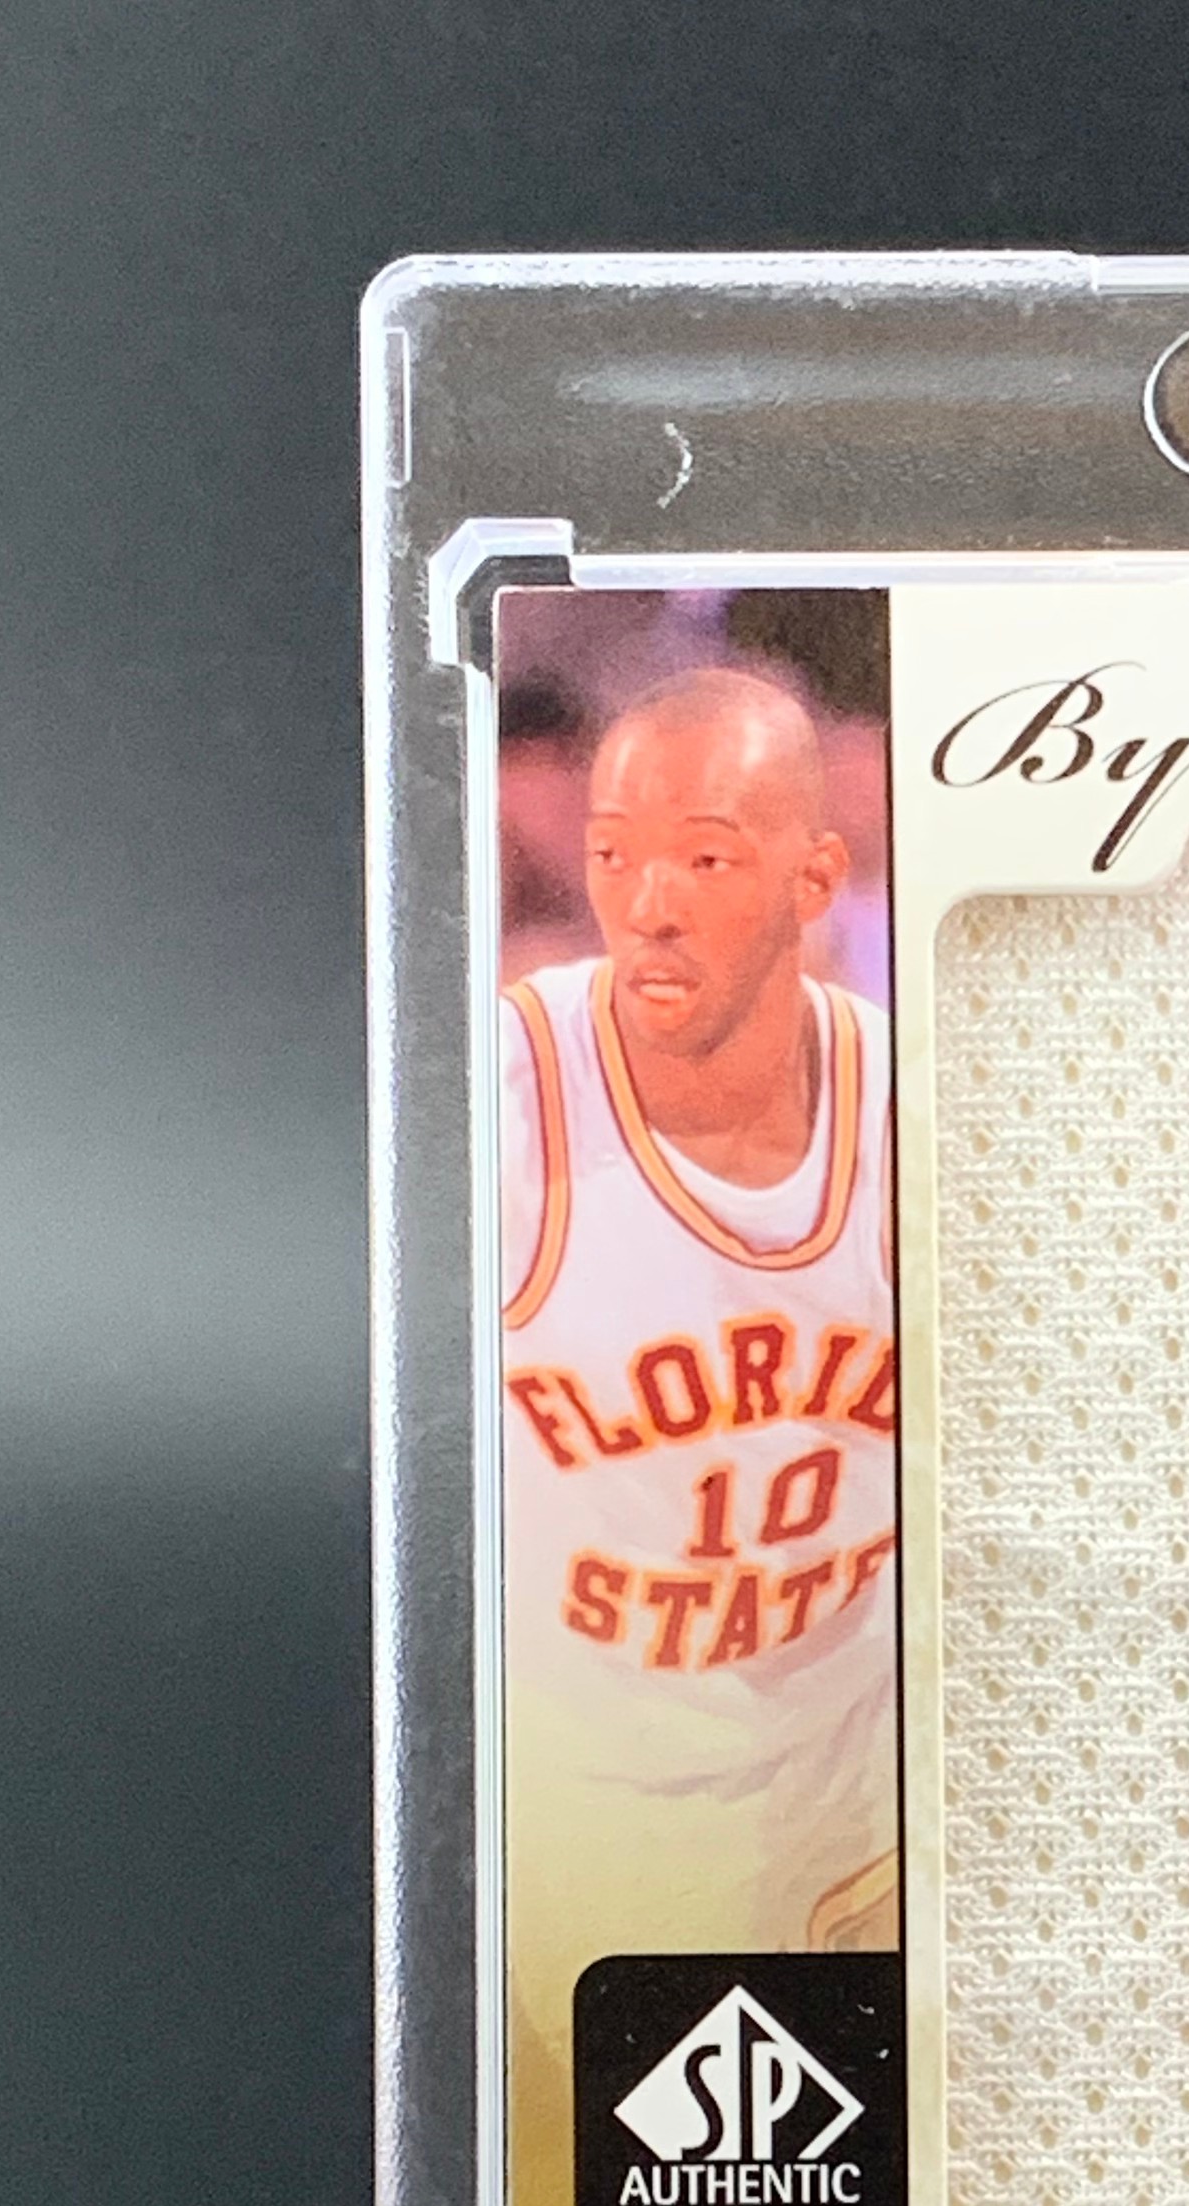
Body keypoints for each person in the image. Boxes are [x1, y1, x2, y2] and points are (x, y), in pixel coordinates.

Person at [495, 666, 899, 2052]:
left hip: (865, 1837)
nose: (648, 905)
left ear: (816, 878)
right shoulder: (503, 1099)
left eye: (706, 859)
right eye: (615, 856)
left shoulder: (920, 1102)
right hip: (595, 1852)